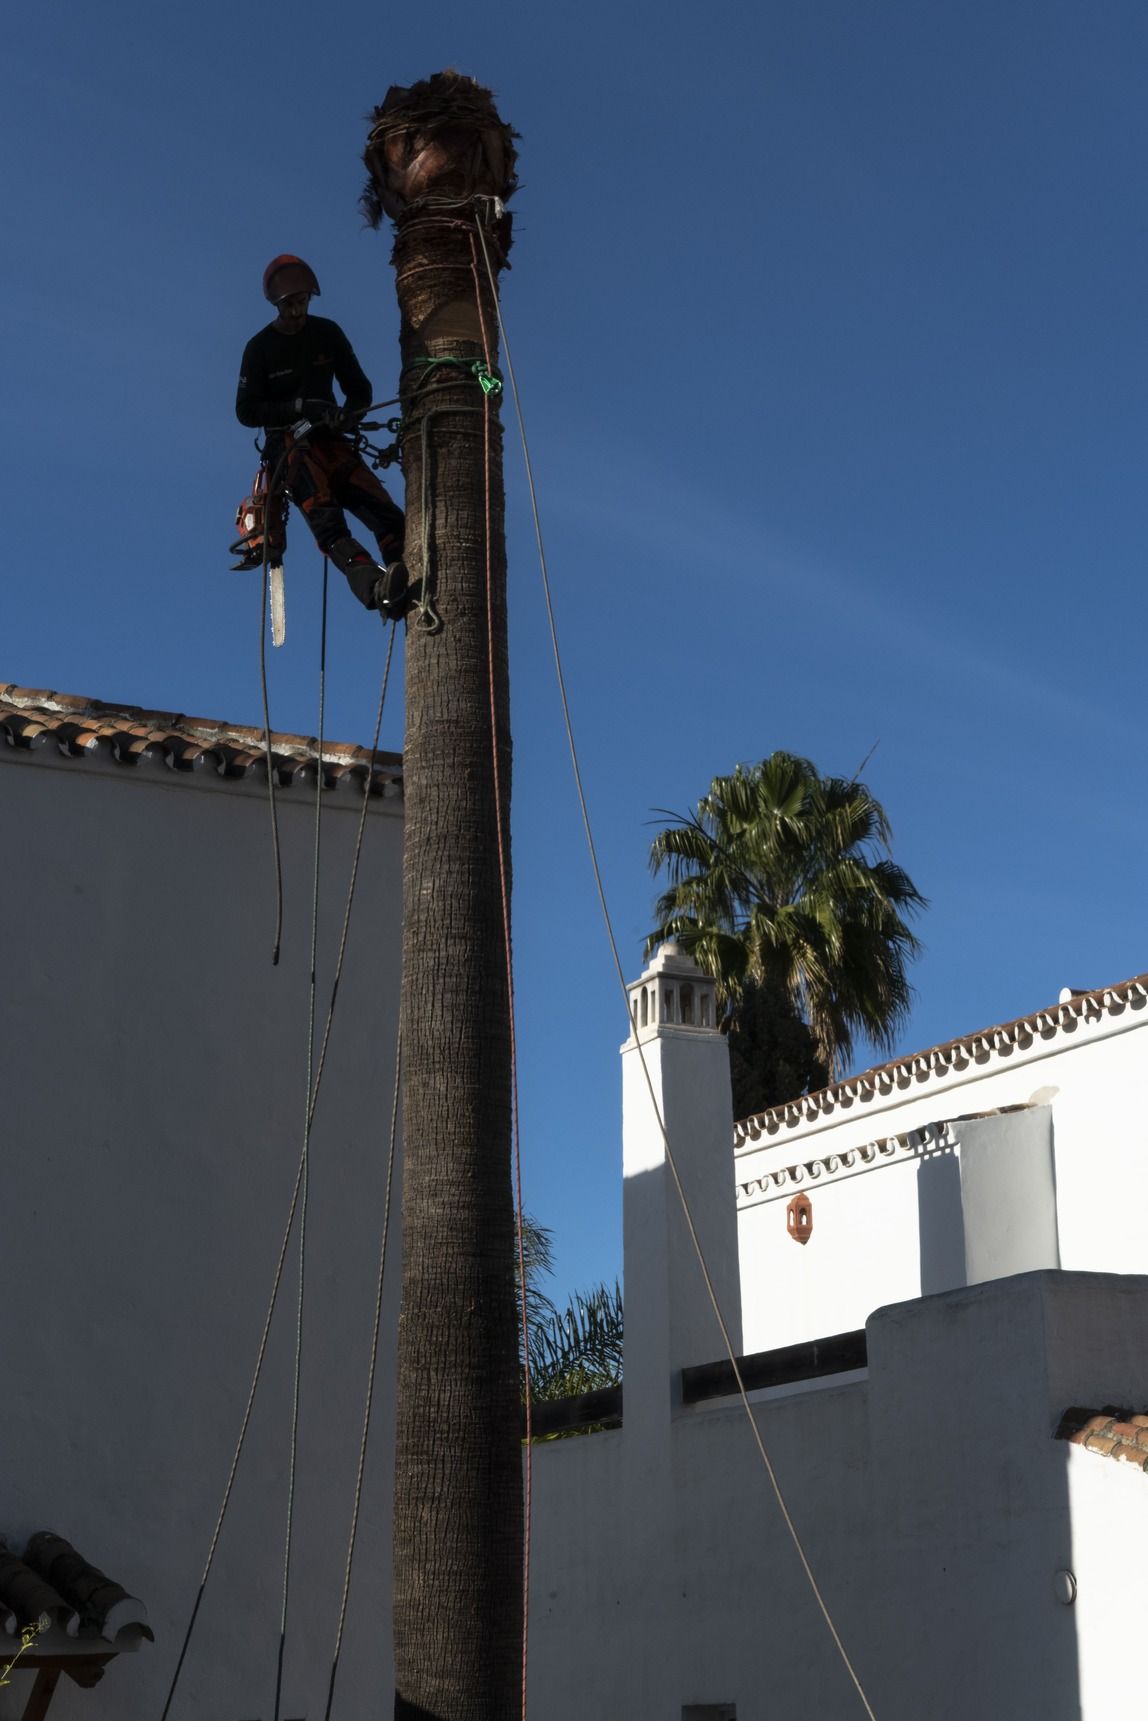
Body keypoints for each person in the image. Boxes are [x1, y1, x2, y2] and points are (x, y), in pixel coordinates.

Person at [236, 254, 409, 618]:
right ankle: (375, 588)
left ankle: (403, 575)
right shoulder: (260, 348)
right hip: (289, 447)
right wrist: (299, 407)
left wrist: (348, 415)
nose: (297, 311)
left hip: (331, 440)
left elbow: (359, 389)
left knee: (385, 513)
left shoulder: (327, 334)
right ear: (276, 304)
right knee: (327, 521)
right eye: (289, 305)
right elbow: (246, 411)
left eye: (302, 302)